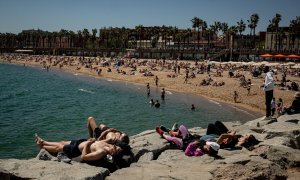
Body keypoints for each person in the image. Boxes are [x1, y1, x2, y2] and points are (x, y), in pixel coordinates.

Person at [35, 134, 124, 161]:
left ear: (113, 153)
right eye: (116, 146)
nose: (115, 146)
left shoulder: (101, 152)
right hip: (81, 141)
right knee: (62, 142)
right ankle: (44, 141)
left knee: (58, 148)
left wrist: (87, 144)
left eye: (116, 149)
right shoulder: (109, 145)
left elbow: (84, 157)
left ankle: (42, 146)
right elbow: (99, 140)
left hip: (76, 149)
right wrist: (93, 140)